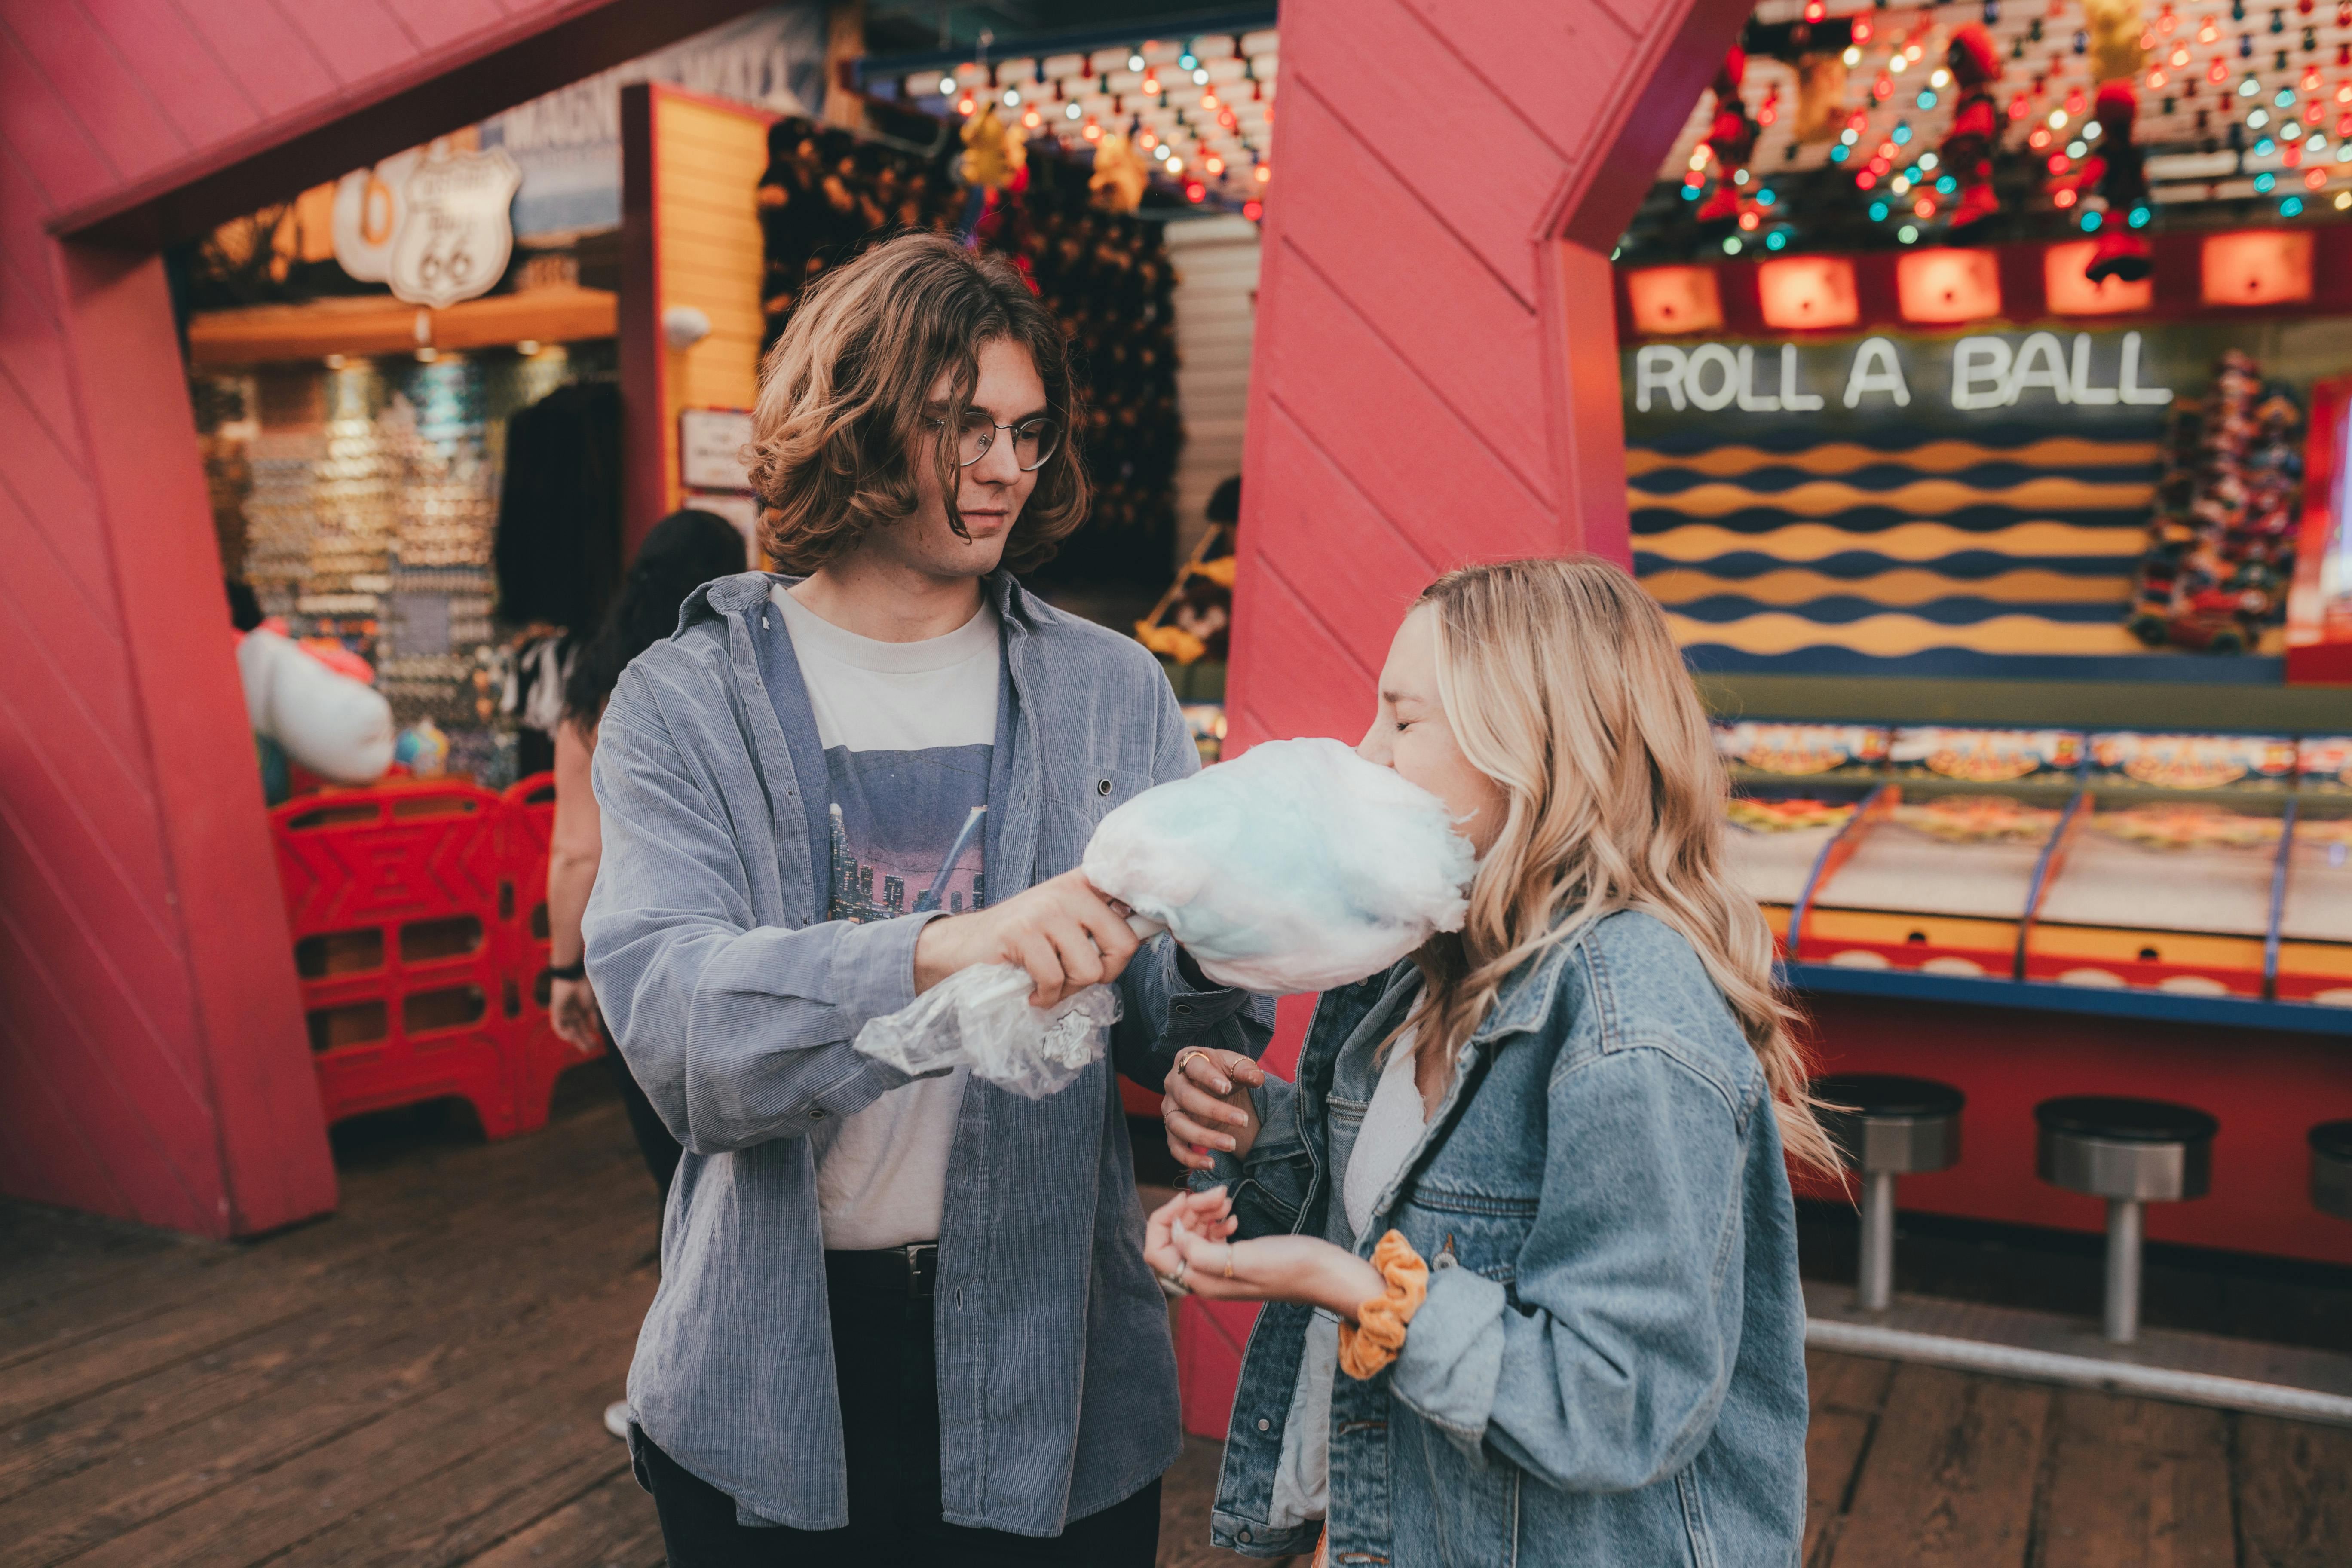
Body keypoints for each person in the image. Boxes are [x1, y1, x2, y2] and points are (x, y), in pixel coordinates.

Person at [582, 231, 1273, 1566]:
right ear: (853, 421)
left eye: (1026, 430)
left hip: (1050, 1368)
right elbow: (678, 1035)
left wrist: (1203, 1031)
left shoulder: (1111, 692)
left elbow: (1171, 1000)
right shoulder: (687, 700)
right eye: (961, 427)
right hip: (768, 1364)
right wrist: (947, 948)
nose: (1006, 467)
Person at [1147, 557, 1832, 1567]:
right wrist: (1260, 1140)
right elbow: (1406, 1214)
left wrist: (1347, 1289)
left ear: (1535, 747)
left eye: (1404, 722)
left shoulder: (1627, 1008)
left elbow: (1618, 1401)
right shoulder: (1413, 970)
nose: (1365, 754)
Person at [545, 508, 750, 1197]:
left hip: (636, 957)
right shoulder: (747, 670)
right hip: (743, 946)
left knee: (678, 1177)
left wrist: (565, 969)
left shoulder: (598, 691)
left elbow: (577, 852)